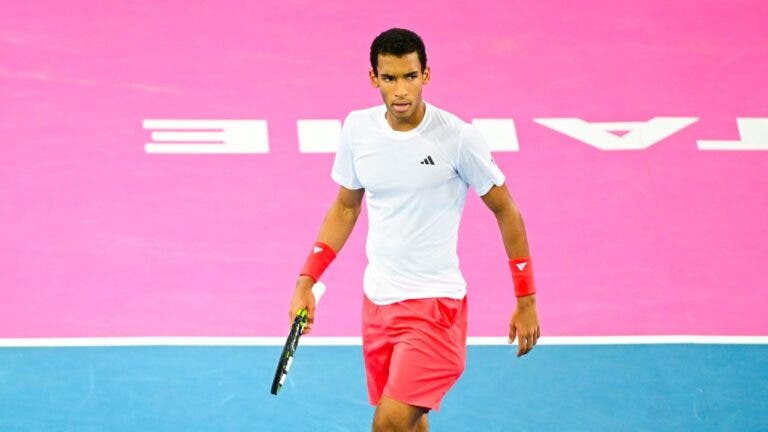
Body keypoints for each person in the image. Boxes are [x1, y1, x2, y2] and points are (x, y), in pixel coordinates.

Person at [288, 28, 540, 432]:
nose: (401, 90)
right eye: (389, 78)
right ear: (373, 78)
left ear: (426, 75)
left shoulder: (458, 138)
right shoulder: (357, 129)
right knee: (409, 424)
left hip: (434, 308)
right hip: (379, 304)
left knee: (388, 424)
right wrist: (307, 278)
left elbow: (507, 210)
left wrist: (526, 299)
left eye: (410, 76)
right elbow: (345, 207)